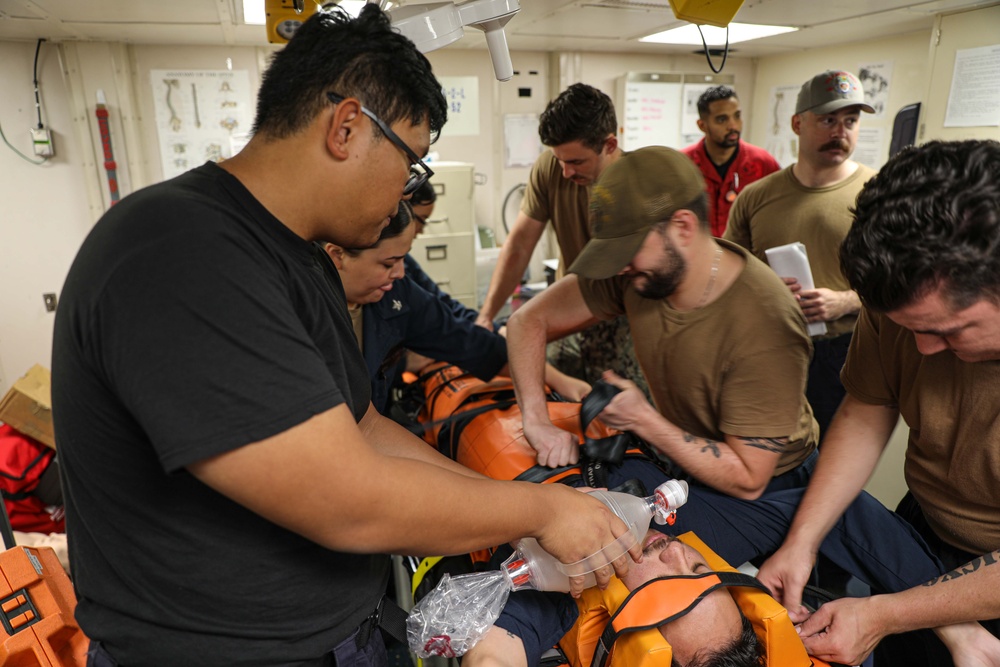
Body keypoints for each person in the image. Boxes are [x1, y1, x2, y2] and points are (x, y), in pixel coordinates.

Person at [51, 8, 641, 666]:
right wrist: (538, 511)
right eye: (409, 164)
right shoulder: (182, 251)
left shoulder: (295, 258)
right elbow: (345, 498)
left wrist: (522, 500)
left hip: (335, 633)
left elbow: (360, 427)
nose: (403, 198)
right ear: (347, 127)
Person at [756, 139, 1000, 667]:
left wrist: (888, 613)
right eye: (907, 328)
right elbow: (867, 410)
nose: (923, 350)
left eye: (945, 332)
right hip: (926, 529)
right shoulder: (900, 300)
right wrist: (803, 541)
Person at [504, 146, 818, 500]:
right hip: (684, 459)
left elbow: (748, 477)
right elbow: (526, 322)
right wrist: (537, 422)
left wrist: (643, 419)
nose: (620, 266)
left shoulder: (763, 321)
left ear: (682, 226)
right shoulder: (639, 272)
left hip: (775, 485)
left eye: (627, 251)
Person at [724, 70, 875, 440]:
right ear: (797, 123)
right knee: (763, 450)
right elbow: (724, 272)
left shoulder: (878, 194)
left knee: (828, 458)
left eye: (850, 121)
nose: (841, 132)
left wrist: (844, 301)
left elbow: (907, 282)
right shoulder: (757, 196)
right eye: (828, 120)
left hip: (845, 352)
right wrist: (764, 289)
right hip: (768, 346)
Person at [323, 204, 589, 413]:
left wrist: (560, 380)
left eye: (404, 258)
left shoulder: (397, 296)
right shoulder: (301, 307)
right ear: (338, 256)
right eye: (388, 263)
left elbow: (473, 343)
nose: (401, 273)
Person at [474, 83, 649, 398]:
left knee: (621, 427)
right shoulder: (550, 168)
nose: (565, 172)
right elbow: (519, 246)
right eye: (559, 160)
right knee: (559, 406)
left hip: (627, 325)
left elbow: (617, 288)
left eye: (577, 162)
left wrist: (531, 331)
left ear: (610, 145)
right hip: (569, 312)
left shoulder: (640, 184)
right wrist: (487, 316)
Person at [680, 85, 780, 237]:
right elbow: (658, 212)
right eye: (722, 119)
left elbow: (782, 211)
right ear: (702, 125)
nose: (733, 125)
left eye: (737, 116)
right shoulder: (682, 164)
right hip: (696, 255)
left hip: (743, 255)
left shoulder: (763, 163)